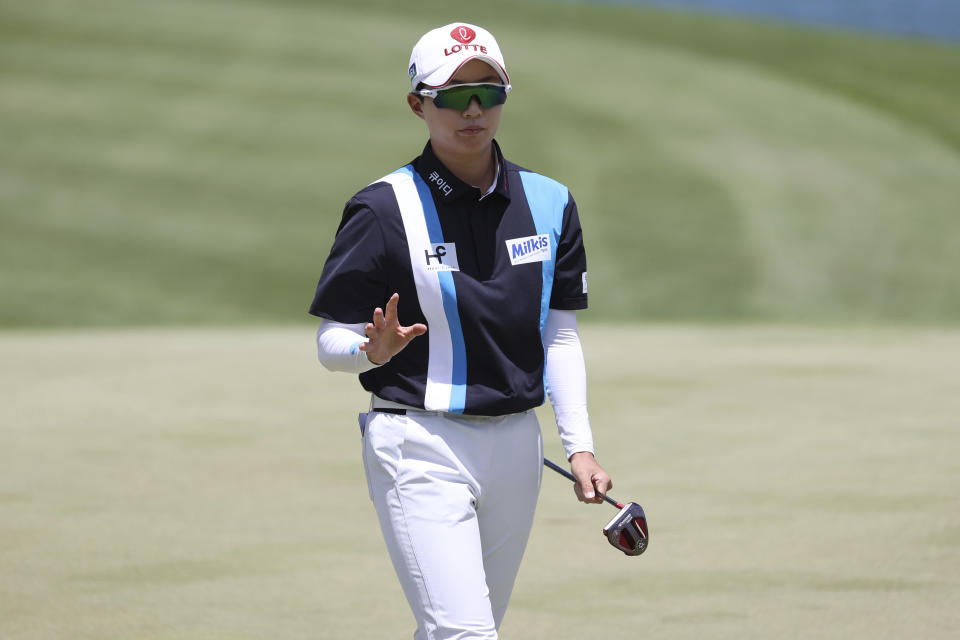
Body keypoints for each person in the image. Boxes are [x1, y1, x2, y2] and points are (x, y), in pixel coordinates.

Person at [308, 22, 612, 640]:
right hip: (417, 442)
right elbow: (329, 342)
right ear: (418, 103)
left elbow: (559, 336)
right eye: (451, 95)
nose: (472, 109)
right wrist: (370, 349)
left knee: (461, 630)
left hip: (517, 448)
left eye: (487, 92)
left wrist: (579, 445)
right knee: (466, 633)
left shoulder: (551, 202)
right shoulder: (383, 207)